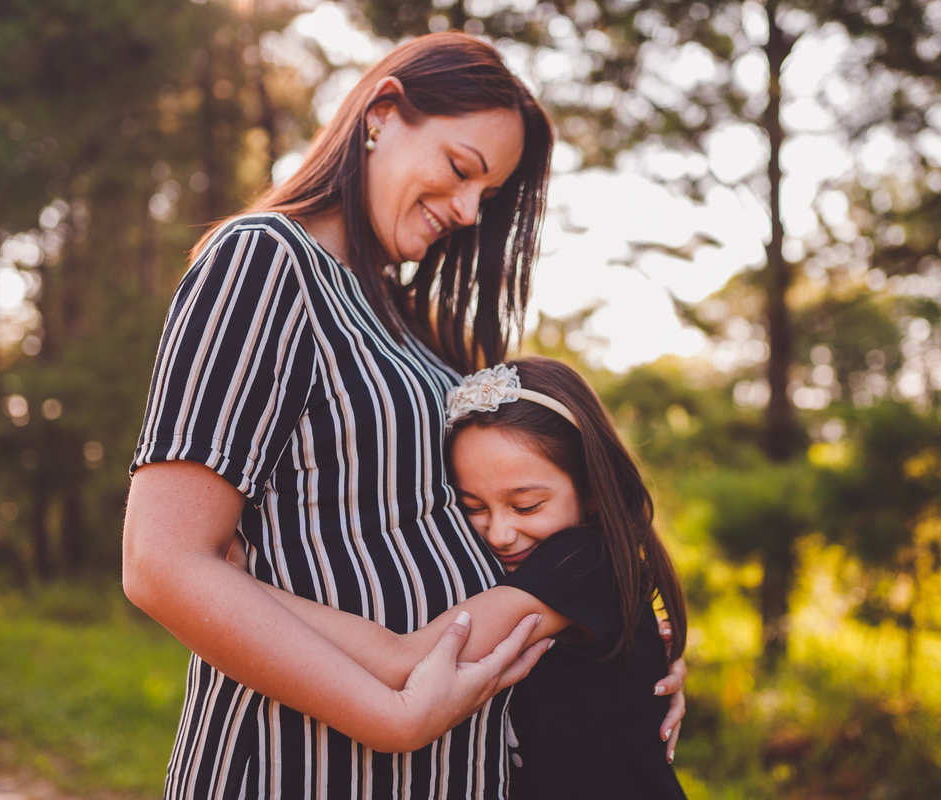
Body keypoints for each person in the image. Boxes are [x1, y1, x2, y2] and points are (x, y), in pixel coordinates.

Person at [122, 31, 684, 800]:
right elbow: (162, 563)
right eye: (460, 170)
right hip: (304, 769)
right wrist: (391, 719)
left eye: (486, 197)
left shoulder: (413, 326)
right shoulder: (268, 263)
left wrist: (623, 665)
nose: (465, 210)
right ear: (382, 113)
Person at [247, 356, 689, 799]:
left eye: (527, 506)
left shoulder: (582, 562)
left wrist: (240, 582)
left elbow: (407, 662)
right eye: (473, 507)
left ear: (592, 490)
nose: (500, 533)